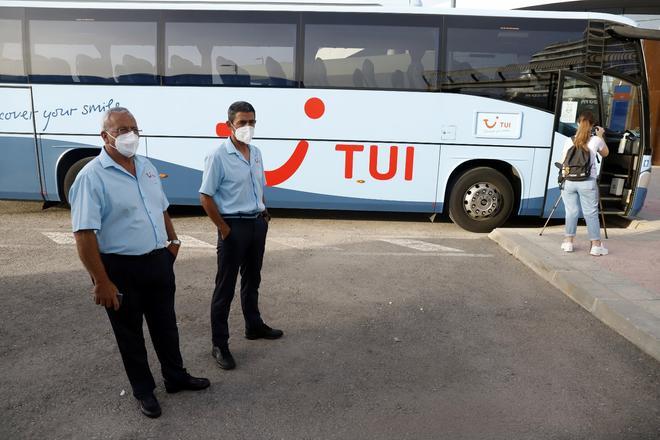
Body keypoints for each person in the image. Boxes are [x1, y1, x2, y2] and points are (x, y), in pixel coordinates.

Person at [69, 107, 210, 419]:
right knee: (130, 335)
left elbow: (160, 207)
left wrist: (173, 243)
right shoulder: (91, 177)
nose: (129, 134)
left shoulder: (145, 166)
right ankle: (144, 391)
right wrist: (101, 281)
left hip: (158, 261)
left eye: (133, 128)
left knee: (165, 326)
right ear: (104, 136)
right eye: (121, 130)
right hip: (120, 269)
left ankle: (175, 376)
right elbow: (83, 233)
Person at [199, 101, 283, 371]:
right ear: (229, 126)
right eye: (242, 123)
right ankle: (219, 344)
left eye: (252, 122)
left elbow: (257, 185)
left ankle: (253, 325)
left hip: (257, 224)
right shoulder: (217, 156)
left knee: (252, 279)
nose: (248, 127)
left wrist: (263, 211)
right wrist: (224, 229)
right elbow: (205, 196)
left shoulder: (256, 152)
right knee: (225, 287)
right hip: (233, 227)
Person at [560, 111, 610, 256]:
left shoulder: (569, 140)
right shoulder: (596, 140)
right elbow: (606, 153)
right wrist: (600, 135)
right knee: (591, 213)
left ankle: (568, 242)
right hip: (587, 182)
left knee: (571, 212)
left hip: (569, 181)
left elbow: (563, 161)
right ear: (593, 125)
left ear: (577, 124)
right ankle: (595, 246)